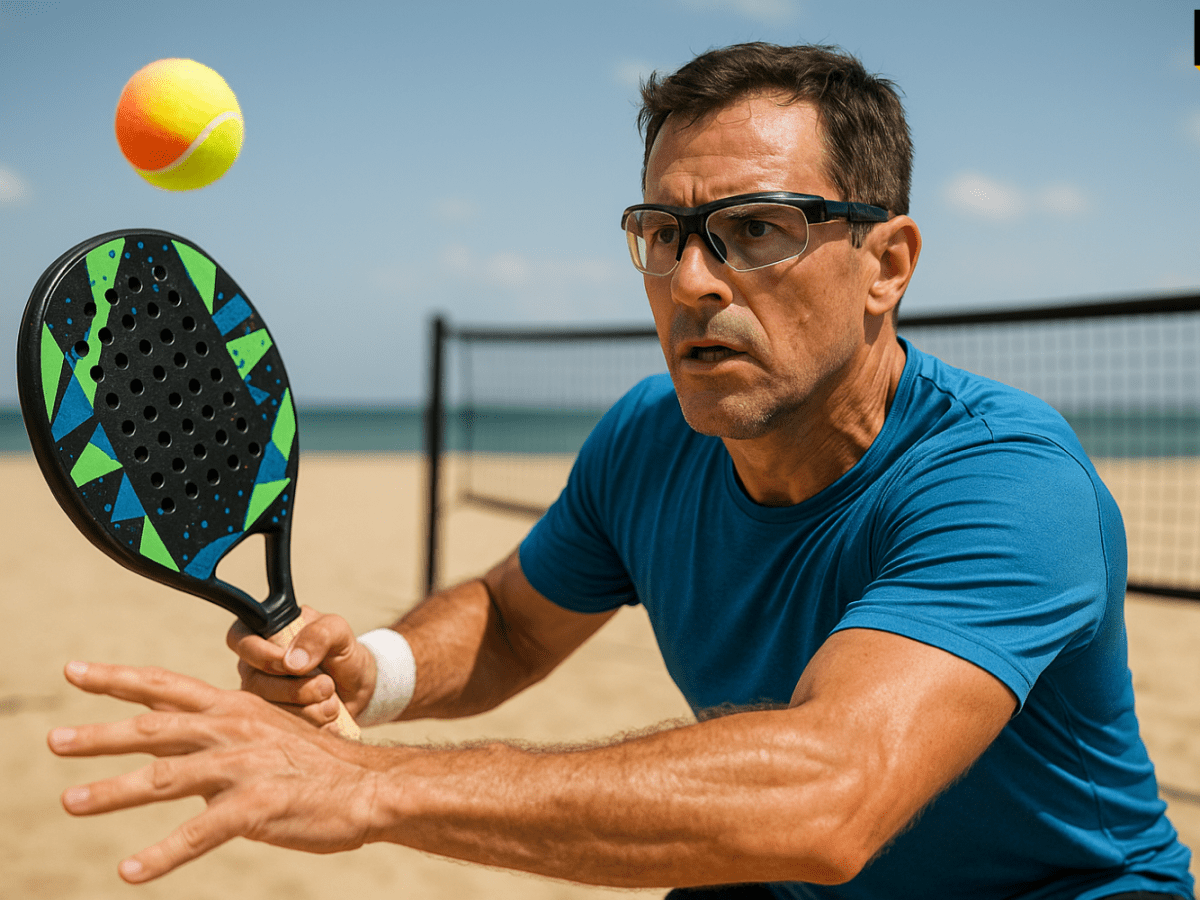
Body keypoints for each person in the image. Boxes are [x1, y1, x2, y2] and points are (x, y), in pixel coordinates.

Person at [48, 42, 1194, 900]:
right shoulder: (652, 436)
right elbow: (512, 622)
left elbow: (830, 791)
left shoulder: (1007, 481)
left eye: (758, 228)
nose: (693, 279)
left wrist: (369, 788)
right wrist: (374, 673)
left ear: (886, 263)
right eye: (664, 233)